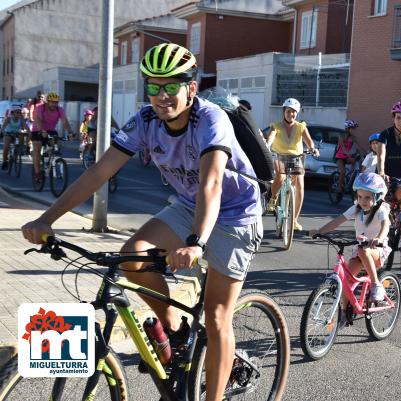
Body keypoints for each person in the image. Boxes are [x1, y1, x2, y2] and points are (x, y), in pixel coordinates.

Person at [21, 43, 262, 401]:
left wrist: (196, 242)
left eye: (171, 86)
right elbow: (99, 172)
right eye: (153, 86)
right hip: (186, 205)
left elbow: (211, 183)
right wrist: (46, 219)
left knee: (216, 317)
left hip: (234, 214)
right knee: (132, 255)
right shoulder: (146, 122)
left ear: (191, 88)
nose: (161, 96)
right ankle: (176, 329)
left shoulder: (211, 120)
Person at [309, 172, 392, 324]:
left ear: (378, 196)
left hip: (376, 251)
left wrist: (378, 238)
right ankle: (344, 313)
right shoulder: (357, 209)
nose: (362, 201)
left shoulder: (381, 210)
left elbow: (386, 225)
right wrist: (320, 231)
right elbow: (337, 221)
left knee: (363, 250)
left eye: (367, 197)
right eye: (360, 197)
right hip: (360, 252)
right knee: (345, 281)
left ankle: (377, 285)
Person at [265, 97, 320, 230]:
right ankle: (273, 199)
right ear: (284, 111)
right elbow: (271, 138)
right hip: (280, 156)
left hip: (296, 158)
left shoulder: (301, 127)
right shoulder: (276, 126)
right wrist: (267, 145)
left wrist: (313, 149)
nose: (291, 114)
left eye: (294, 112)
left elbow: (309, 142)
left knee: (300, 186)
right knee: (281, 176)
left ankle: (294, 220)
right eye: (289, 111)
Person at [30, 92, 75, 181]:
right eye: (52, 102)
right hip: (37, 130)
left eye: (56, 102)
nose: (54, 104)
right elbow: (38, 119)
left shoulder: (59, 109)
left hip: (51, 130)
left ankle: (51, 156)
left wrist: (70, 132)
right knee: (37, 148)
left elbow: (64, 121)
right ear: (47, 102)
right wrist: (42, 130)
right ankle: (37, 172)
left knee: (56, 143)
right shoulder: (40, 108)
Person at [335, 119, 359, 193]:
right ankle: (339, 187)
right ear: (347, 129)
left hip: (347, 157)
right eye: (352, 129)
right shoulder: (341, 136)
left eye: (354, 129)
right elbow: (343, 147)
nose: (353, 130)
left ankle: (349, 181)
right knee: (343, 171)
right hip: (339, 157)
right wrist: (349, 155)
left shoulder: (353, 137)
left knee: (357, 166)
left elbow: (359, 146)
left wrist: (366, 153)